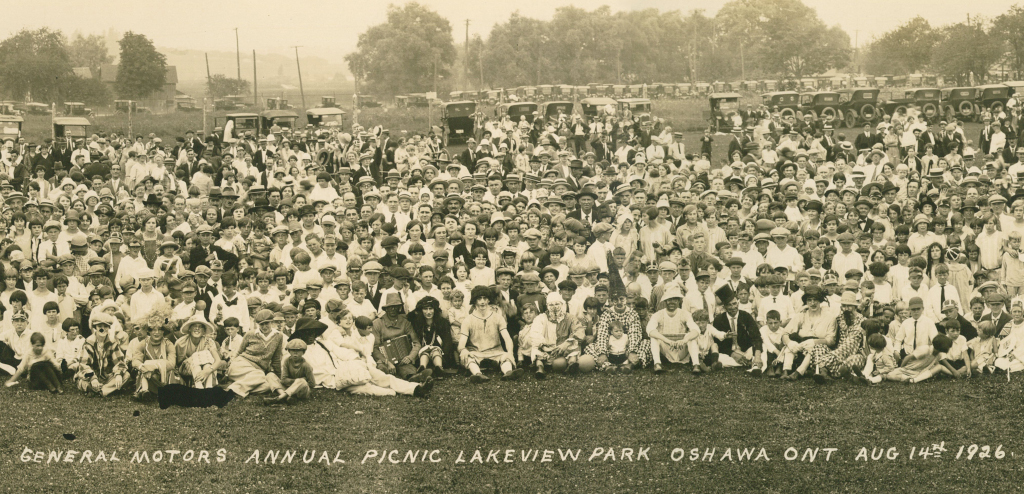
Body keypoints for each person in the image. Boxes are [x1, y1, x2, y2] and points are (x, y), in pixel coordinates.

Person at [458, 286, 525, 383]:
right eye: (479, 298)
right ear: (474, 301)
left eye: (485, 298)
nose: (482, 302)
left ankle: (509, 373)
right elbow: (461, 343)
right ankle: (478, 375)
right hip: (476, 352)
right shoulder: (468, 320)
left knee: (505, 356)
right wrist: (463, 350)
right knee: (468, 357)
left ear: (489, 300)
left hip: (496, 351)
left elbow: (507, 338)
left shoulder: (498, 317)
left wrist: (510, 352)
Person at [226, 309, 285, 400]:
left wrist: (278, 377)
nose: (264, 327)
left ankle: (236, 387)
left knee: (268, 386)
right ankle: (232, 389)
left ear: (272, 322)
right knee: (260, 375)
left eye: (267, 323)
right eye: (261, 324)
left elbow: (276, 359)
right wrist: (230, 366)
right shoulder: (250, 334)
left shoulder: (278, 336)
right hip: (241, 365)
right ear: (258, 324)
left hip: (256, 372)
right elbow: (239, 352)